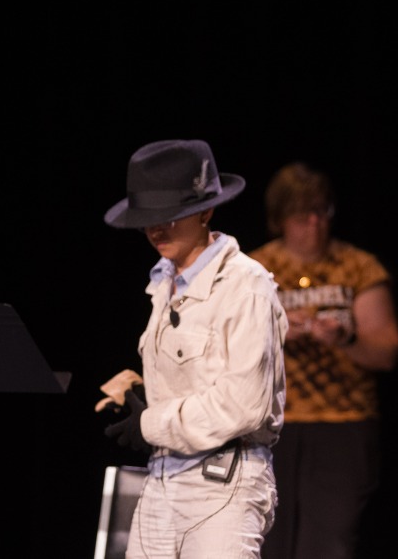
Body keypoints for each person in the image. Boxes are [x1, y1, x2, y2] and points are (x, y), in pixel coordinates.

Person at [97, 139, 288, 558]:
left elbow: (243, 404)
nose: (155, 229)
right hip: (162, 479)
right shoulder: (164, 283)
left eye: (170, 216)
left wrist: (150, 423)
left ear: (205, 211)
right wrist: (148, 398)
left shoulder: (245, 285)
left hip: (225, 481)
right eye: (148, 219)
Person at [248, 161, 398, 559]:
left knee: (328, 544)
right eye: (302, 215)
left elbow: (386, 351)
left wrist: (344, 337)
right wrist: (277, 332)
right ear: (280, 218)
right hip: (270, 424)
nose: (314, 224)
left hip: (342, 425)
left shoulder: (357, 266)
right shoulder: (254, 270)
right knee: (265, 539)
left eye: (322, 213)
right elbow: (224, 347)